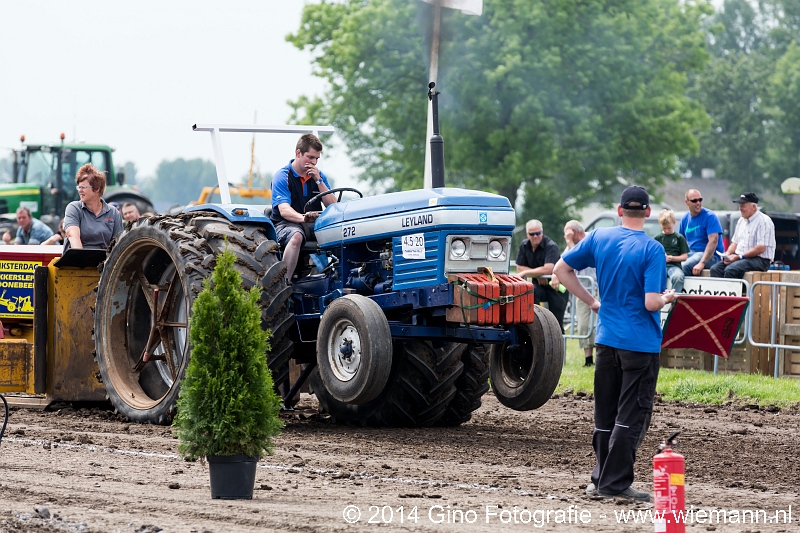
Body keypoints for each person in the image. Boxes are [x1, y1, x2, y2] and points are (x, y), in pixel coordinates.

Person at [553, 185, 676, 502]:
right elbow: (651, 303)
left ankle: (600, 479)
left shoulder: (598, 237)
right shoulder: (652, 249)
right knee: (630, 416)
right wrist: (667, 297)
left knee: (605, 415)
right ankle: (615, 483)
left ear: (620, 211)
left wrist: (593, 301)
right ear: (648, 213)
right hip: (640, 343)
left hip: (606, 341)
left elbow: (561, 270)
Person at [270, 134, 337, 282]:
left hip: (314, 224)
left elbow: (333, 206)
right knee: (296, 237)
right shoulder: (282, 176)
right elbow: (284, 210)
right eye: (310, 157)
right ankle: (283, 285)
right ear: (298, 153)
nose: (313, 162)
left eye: (317, 159)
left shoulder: (319, 176)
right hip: (286, 224)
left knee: (341, 233)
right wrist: (304, 218)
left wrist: (318, 180)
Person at [550, 220, 596, 366]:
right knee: (583, 324)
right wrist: (555, 275)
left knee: (598, 325)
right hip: (582, 290)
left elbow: (578, 257)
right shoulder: (571, 246)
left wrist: (570, 242)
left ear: (574, 232)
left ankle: (602, 357)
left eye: (567, 232)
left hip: (597, 288)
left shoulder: (590, 240)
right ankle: (588, 360)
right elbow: (562, 263)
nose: (565, 236)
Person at [515, 219, 569, 331]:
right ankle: (535, 330)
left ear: (542, 232)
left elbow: (548, 269)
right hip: (538, 286)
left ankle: (559, 346)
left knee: (556, 324)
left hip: (556, 287)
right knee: (531, 294)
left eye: (538, 233)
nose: (535, 236)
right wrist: (538, 274)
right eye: (532, 234)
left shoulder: (551, 246)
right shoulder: (524, 245)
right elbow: (519, 267)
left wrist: (527, 272)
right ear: (527, 234)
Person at [710, 192, 775, 279]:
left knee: (731, 270)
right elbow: (735, 243)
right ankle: (719, 292)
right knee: (715, 269)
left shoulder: (764, 221)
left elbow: (761, 248)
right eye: (739, 205)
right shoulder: (741, 220)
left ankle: (733, 292)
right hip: (742, 258)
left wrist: (739, 256)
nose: (740, 209)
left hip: (760, 260)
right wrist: (727, 254)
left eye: (743, 205)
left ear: (754, 207)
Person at [63, 163, 124, 250]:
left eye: (83, 187)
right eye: (79, 187)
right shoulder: (74, 208)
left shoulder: (113, 213)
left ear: (97, 188)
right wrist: (80, 259)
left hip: (104, 262)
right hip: (76, 260)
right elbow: (72, 235)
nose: (80, 191)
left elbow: (118, 244)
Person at [679, 189, 724, 276]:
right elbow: (681, 241)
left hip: (711, 256)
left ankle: (684, 290)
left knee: (685, 266)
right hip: (691, 253)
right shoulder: (685, 218)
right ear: (687, 202)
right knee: (668, 266)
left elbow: (713, 241)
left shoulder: (710, 216)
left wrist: (702, 263)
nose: (698, 203)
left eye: (700, 200)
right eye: (694, 200)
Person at [655, 209, 689, 293]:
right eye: (664, 228)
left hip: (674, 266)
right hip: (660, 266)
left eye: (669, 228)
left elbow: (684, 257)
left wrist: (672, 258)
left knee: (678, 277)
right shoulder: (657, 238)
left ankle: (674, 301)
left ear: (674, 223)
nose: (666, 230)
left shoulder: (679, 238)